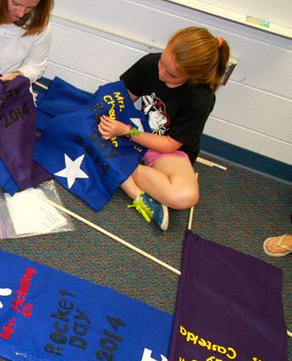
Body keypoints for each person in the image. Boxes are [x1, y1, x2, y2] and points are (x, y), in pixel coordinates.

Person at [98, 27, 231, 231]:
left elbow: (169, 145)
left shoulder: (200, 99)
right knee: (91, 125)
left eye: (171, 74)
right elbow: (120, 99)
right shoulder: (151, 62)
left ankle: (115, 164)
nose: (161, 73)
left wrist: (127, 132)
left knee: (185, 197)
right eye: (162, 63)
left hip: (163, 148)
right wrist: (110, 121)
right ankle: (135, 189)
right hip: (131, 132)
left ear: (193, 76)